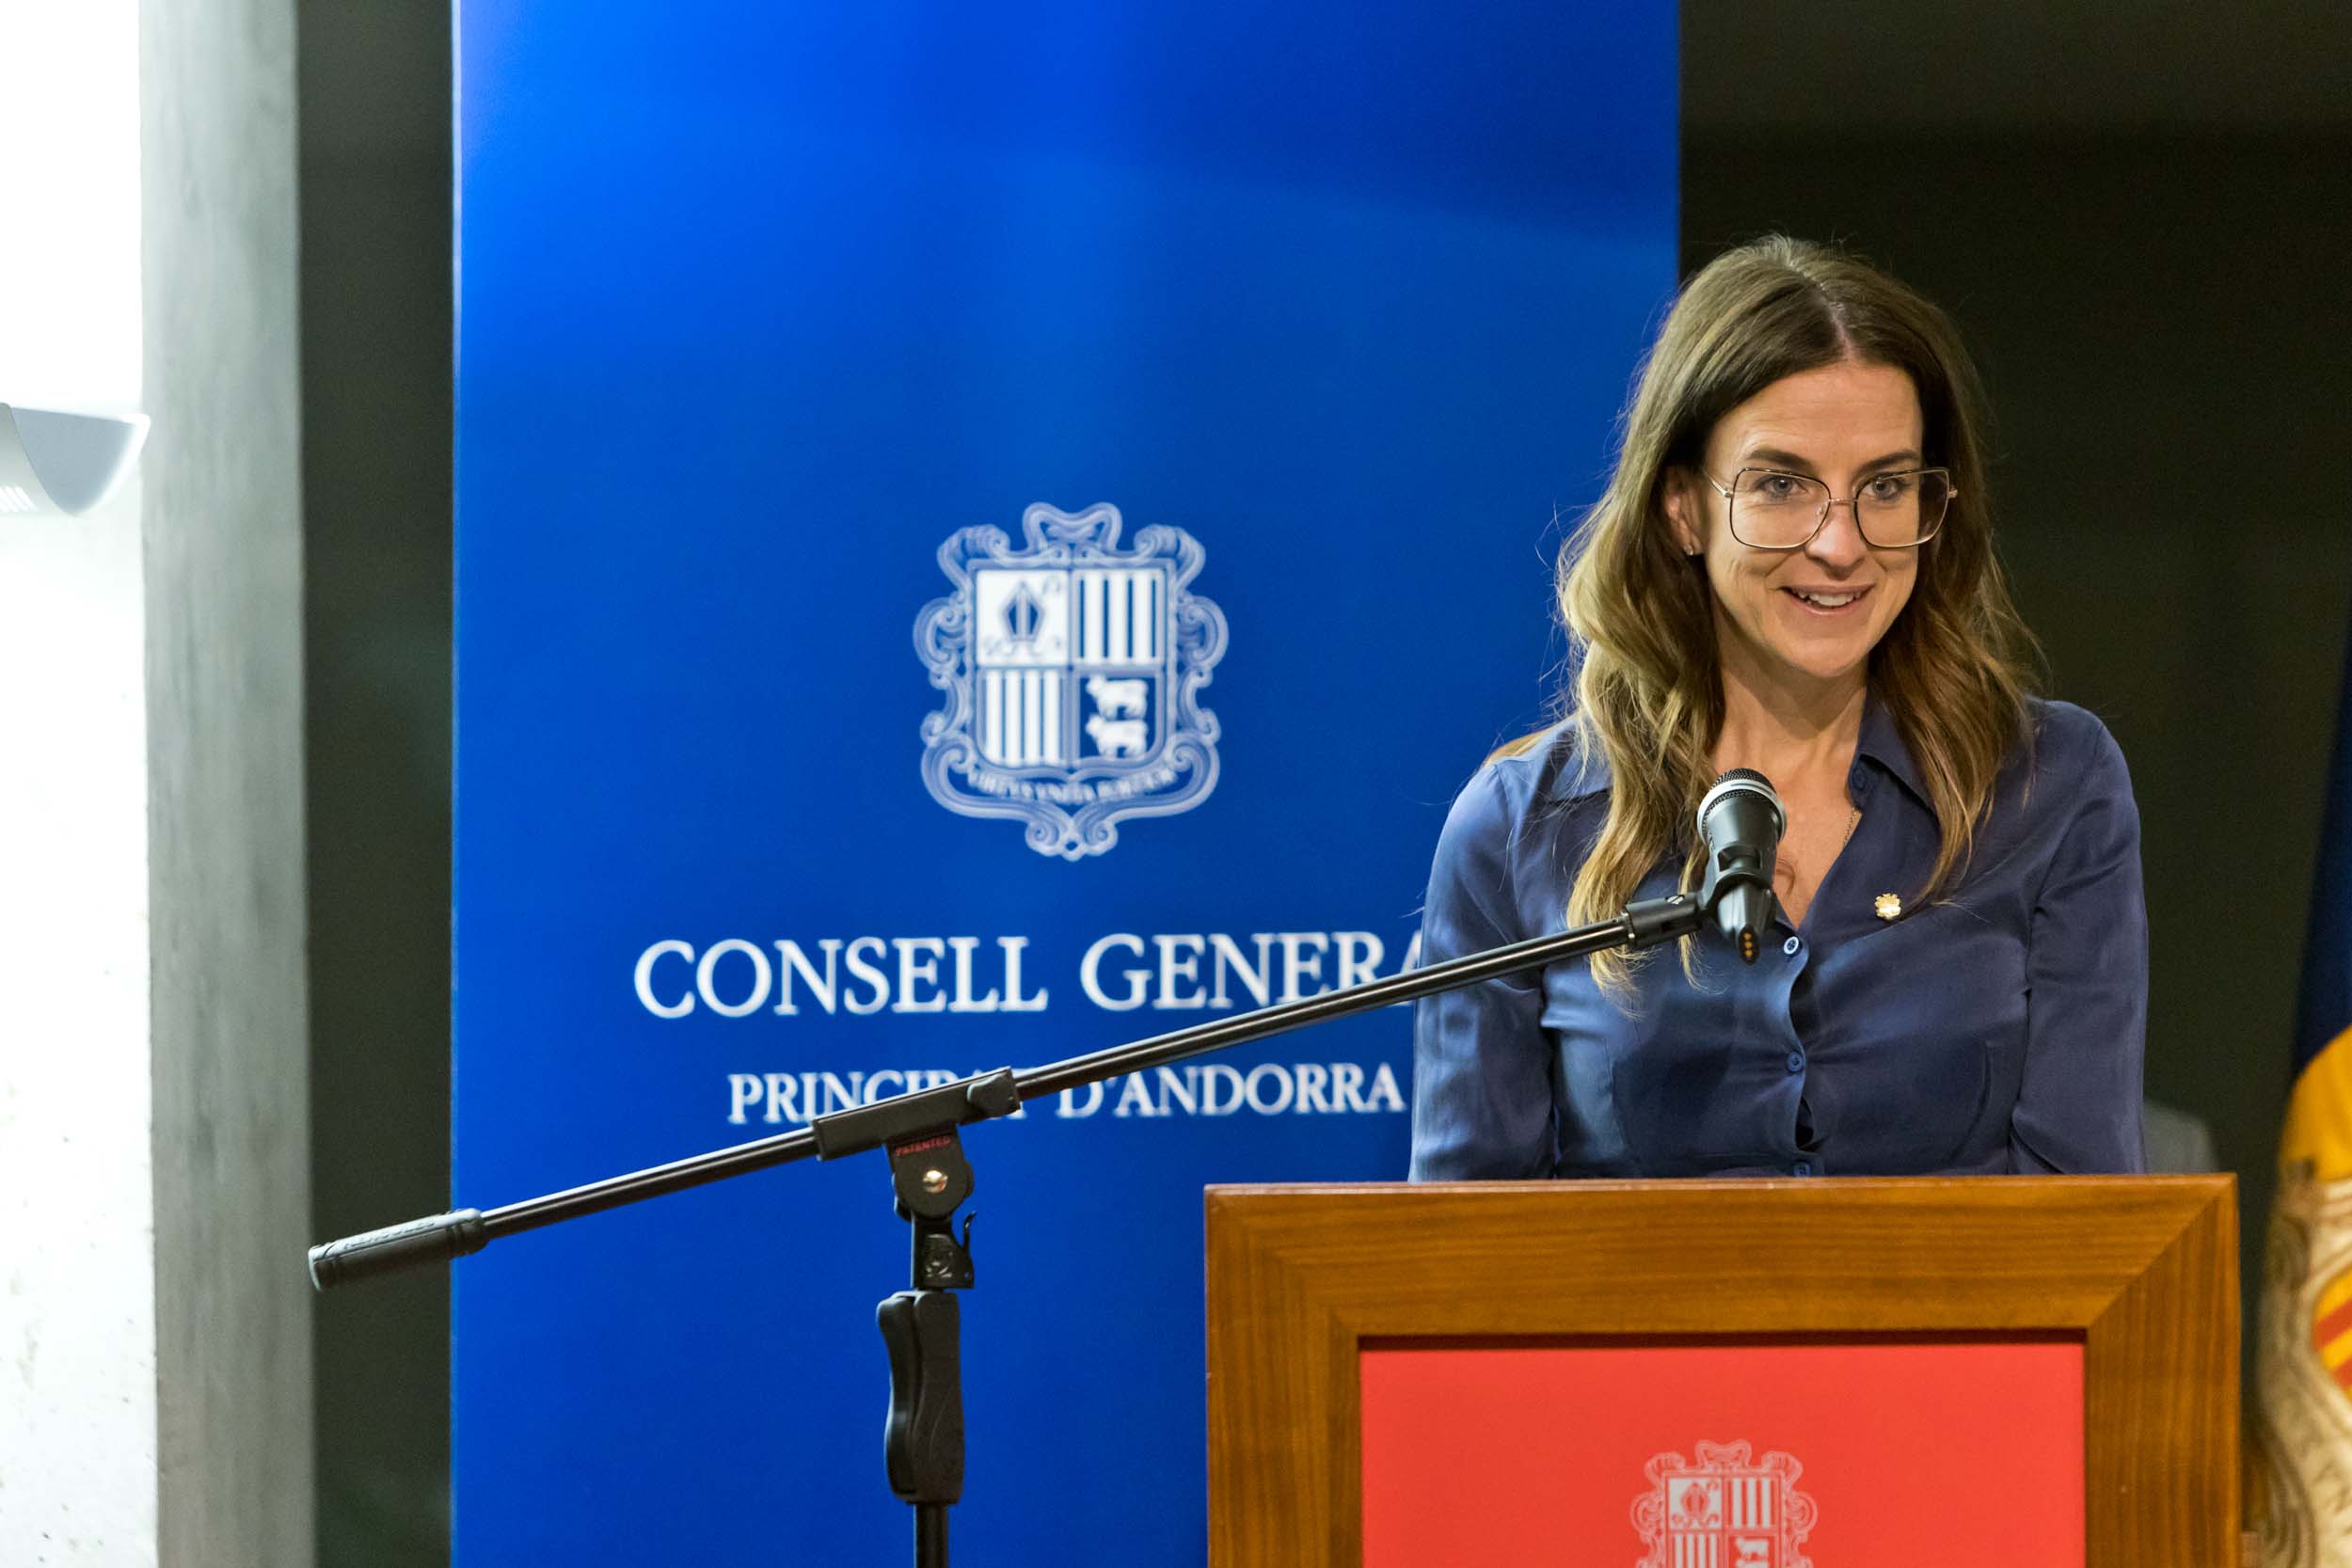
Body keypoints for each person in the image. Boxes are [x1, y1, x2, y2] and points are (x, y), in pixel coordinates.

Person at [1408, 236, 2146, 1180]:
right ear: (1682, 507)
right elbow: (1460, 1243)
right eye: (1781, 485)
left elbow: (2090, 1217)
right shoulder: (1523, 827)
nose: (1839, 544)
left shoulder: (2050, 785)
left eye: (1885, 486)